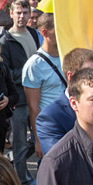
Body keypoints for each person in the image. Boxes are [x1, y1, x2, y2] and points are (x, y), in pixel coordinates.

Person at [0, 0, 39, 185]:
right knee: (20, 142)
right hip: (20, 99)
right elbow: (6, 72)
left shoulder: (34, 34)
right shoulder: (5, 40)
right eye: (18, 12)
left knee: (40, 138)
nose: (22, 16)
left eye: (25, 12)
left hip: (38, 96)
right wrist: (29, 71)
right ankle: (21, 181)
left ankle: (40, 176)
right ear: (11, 14)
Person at [22, 12, 64, 158]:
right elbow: (33, 107)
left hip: (69, 122)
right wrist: (38, 140)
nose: (63, 33)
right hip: (49, 127)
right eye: (58, 30)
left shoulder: (67, 57)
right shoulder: (34, 65)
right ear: (45, 33)